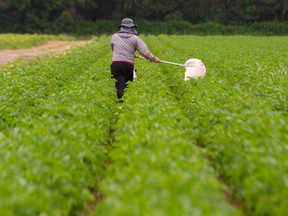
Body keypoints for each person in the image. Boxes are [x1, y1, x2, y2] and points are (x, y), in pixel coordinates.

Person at [110, 18, 160, 99]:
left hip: (116, 64)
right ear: (131, 27)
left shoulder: (114, 36)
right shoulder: (135, 38)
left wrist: (129, 53)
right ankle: (127, 106)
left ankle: (119, 104)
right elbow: (145, 52)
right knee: (128, 86)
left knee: (119, 86)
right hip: (128, 64)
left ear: (122, 27)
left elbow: (114, 49)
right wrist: (154, 59)